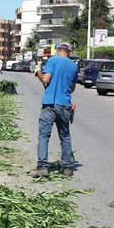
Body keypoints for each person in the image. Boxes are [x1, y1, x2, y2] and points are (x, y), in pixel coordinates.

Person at [32, 42, 78, 178]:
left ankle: (42, 167)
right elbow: (72, 88)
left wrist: (38, 71)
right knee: (65, 136)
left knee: (44, 135)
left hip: (50, 104)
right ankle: (67, 167)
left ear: (58, 50)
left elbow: (46, 79)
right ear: (69, 52)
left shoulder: (52, 60)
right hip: (65, 105)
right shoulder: (73, 66)